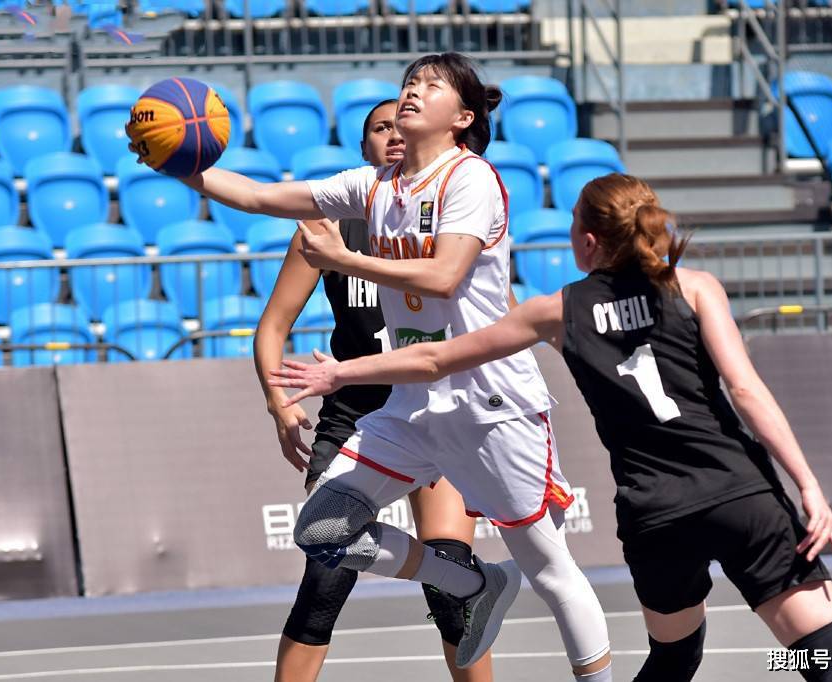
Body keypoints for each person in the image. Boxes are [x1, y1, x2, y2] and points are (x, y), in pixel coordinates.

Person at [272, 172, 832, 682]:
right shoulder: (695, 287)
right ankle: (475, 584)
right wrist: (808, 486)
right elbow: (746, 391)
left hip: (656, 510)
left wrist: (342, 373)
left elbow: (434, 358)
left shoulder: (556, 310)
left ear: (585, 242)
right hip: (740, 492)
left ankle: (476, 584)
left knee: (673, 658)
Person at [172, 52, 613, 679]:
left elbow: (443, 276)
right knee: (322, 529)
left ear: (461, 117)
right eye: (409, 83)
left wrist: (347, 260)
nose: (412, 92)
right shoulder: (371, 186)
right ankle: (471, 582)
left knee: (550, 569)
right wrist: (181, 164)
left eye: (429, 86)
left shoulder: (471, 179)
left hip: (490, 400)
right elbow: (256, 194)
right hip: (411, 403)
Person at [253, 99, 493, 682]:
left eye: (397, 125)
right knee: (325, 573)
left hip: (436, 408)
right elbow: (272, 327)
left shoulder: (450, 215)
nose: (390, 135)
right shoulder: (327, 228)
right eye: (377, 129)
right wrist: (280, 404)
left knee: (452, 589)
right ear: (362, 152)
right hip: (358, 412)